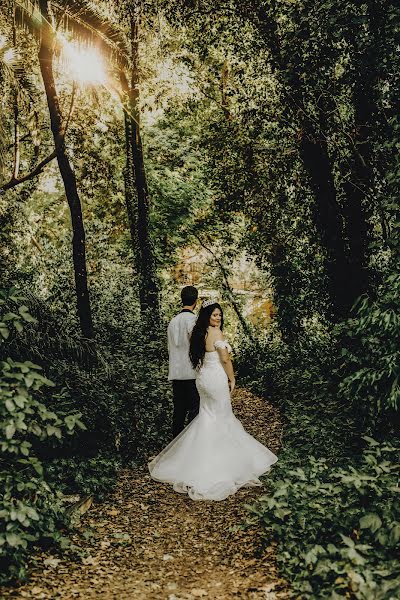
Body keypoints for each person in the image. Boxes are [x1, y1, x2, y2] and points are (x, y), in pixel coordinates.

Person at [149, 299, 277, 501]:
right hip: (215, 378)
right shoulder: (216, 333)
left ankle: (196, 461)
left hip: (203, 379)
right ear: (207, 316)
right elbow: (225, 359)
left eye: (219, 315)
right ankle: (221, 465)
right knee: (222, 417)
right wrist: (232, 378)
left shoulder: (198, 333)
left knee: (208, 417)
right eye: (214, 315)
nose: (218, 318)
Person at [168, 285, 200, 438]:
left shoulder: (172, 322)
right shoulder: (193, 320)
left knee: (179, 411)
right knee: (194, 410)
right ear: (196, 301)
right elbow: (196, 347)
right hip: (191, 373)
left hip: (175, 373)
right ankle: (190, 443)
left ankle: (175, 444)